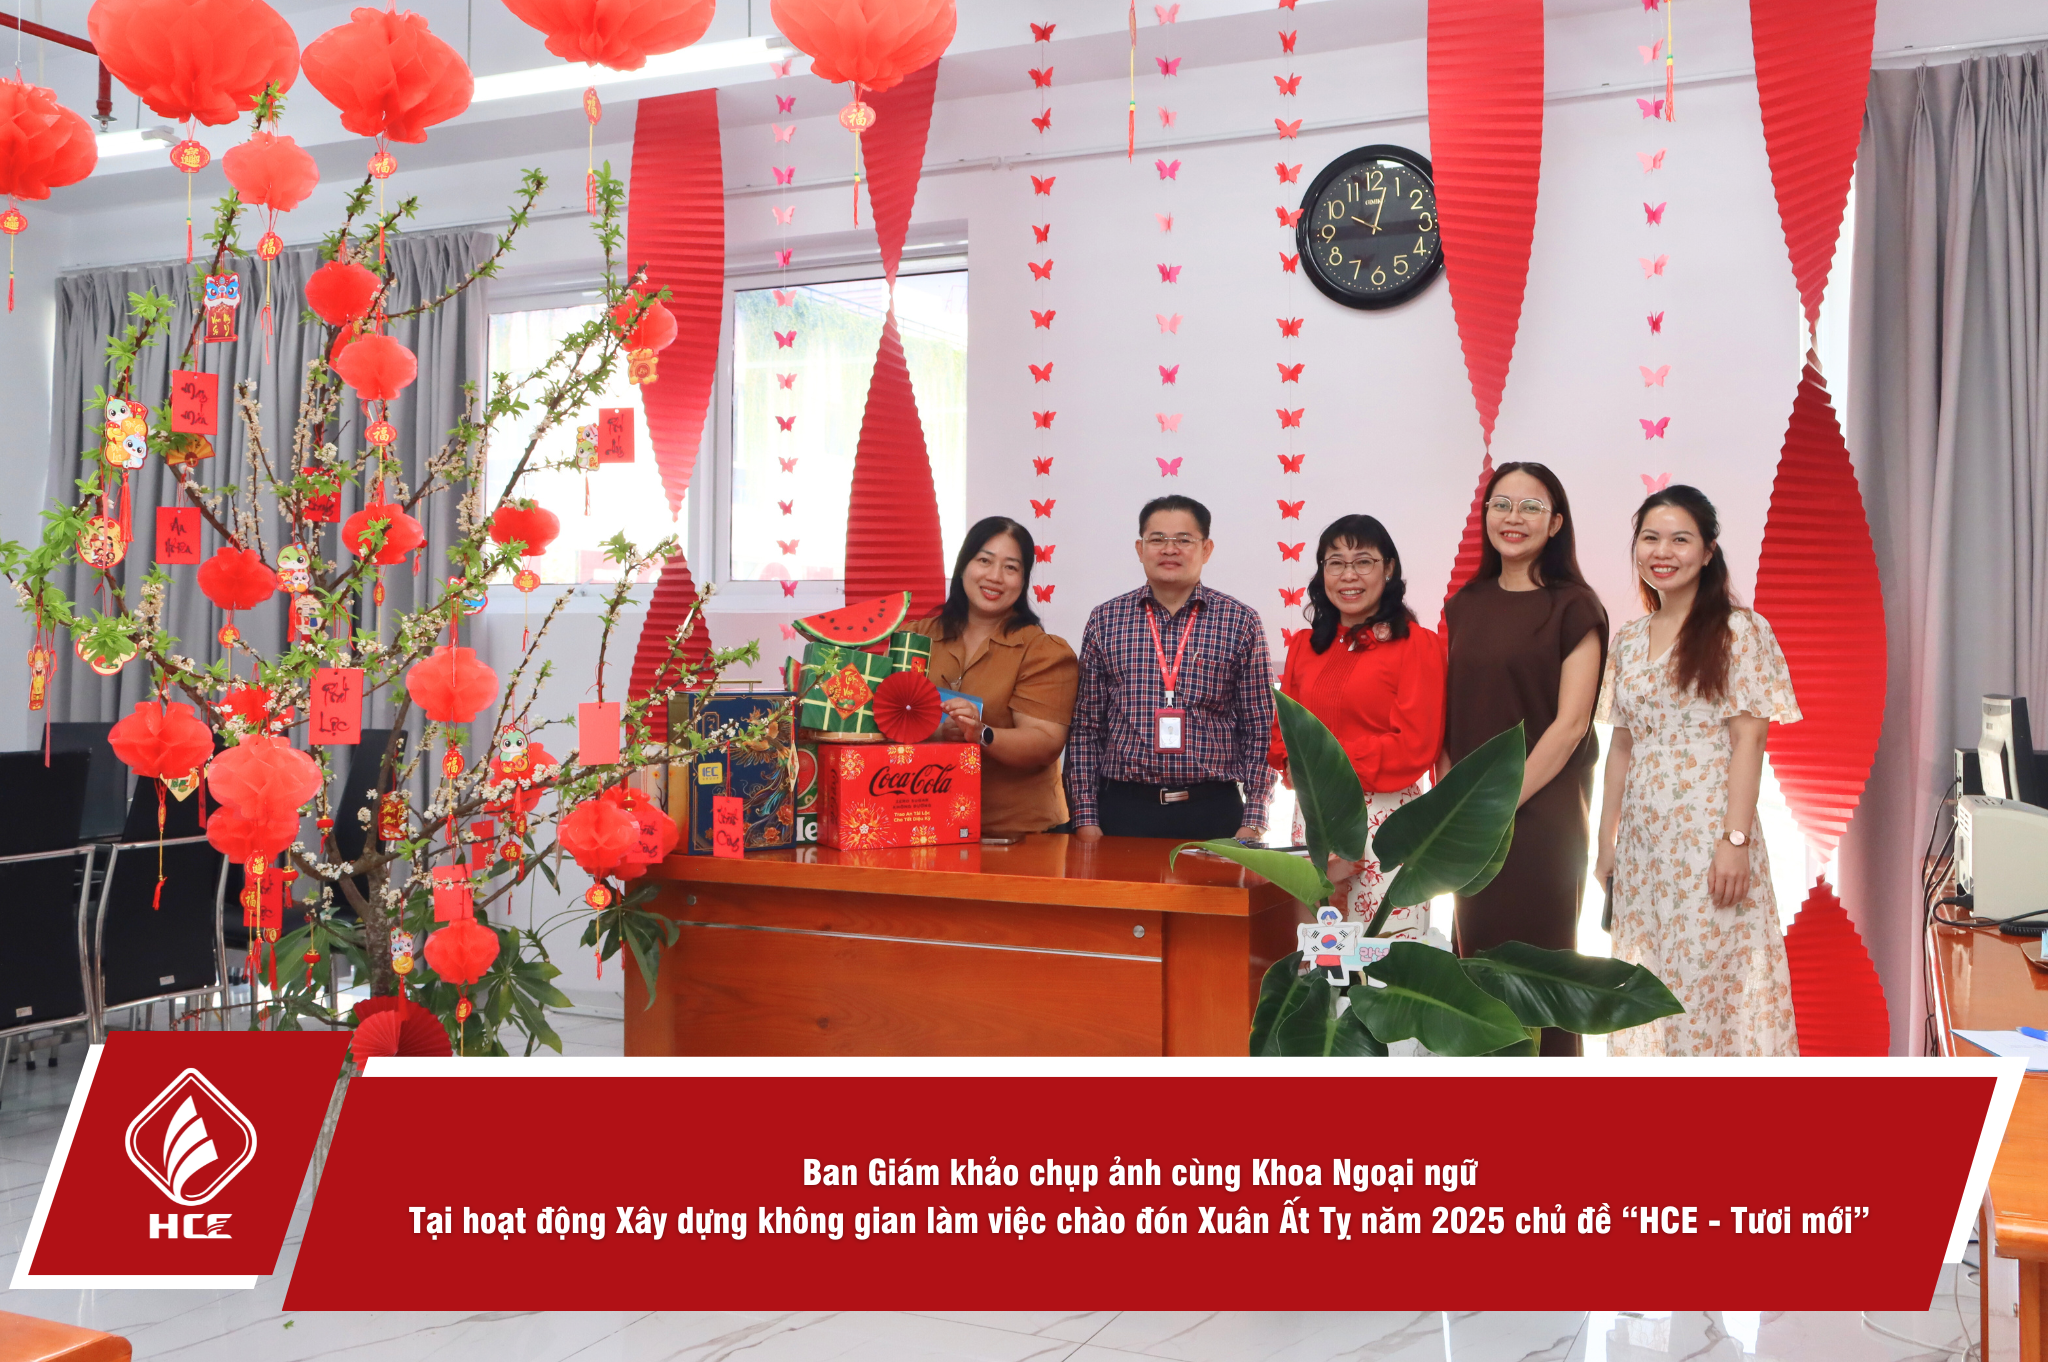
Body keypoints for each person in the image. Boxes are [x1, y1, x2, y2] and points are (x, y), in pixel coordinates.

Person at [1594, 485, 1801, 1056]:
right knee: (1649, 982)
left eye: (1680, 539)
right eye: (1650, 538)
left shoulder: (1739, 631)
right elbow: (1622, 747)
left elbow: (1749, 739)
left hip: (1708, 839)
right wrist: (1606, 843)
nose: (1663, 552)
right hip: (1644, 847)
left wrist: (1734, 841)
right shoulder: (1628, 640)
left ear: (1708, 551)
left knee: (1712, 981)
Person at [1443, 461, 1607, 1056]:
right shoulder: (1463, 605)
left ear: (1556, 523)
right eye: (1502, 504)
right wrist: (1452, 808)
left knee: (1541, 975)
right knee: (1477, 971)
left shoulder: (1575, 607)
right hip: (1470, 822)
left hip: (1543, 819)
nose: (1514, 518)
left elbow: (1569, 727)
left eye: (1531, 506)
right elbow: (1450, 715)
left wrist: (1497, 806)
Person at [1269, 515, 1445, 941]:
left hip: (1386, 826)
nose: (1348, 575)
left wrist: (1324, 766)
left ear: (1389, 569)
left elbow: (1415, 745)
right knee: (1318, 958)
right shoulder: (1304, 646)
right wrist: (1298, 764)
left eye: (1363, 561)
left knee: (1383, 959)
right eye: (1335, 563)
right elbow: (1283, 736)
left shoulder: (1417, 644)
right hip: (1313, 820)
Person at [1067, 496, 1277, 841]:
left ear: (1206, 549)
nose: (1169, 549)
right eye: (1158, 539)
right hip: (1124, 811)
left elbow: (1261, 728)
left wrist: (1254, 818)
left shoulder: (1241, 621)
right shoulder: (1105, 620)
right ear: (1140, 548)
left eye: (1183, 539)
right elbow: (1086, 728)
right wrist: (1086, 817)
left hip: (1214, 811)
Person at [909, 516, 1078, 835]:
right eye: (984, 561)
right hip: (922, 822)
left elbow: (1045, 742)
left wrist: (981, 732)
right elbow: (883, 714)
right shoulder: (914, 638)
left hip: (1019, 833)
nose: (995, 577)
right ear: (963, 566)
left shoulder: (1044, 651)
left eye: (1010, 567)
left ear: (1023, 580)